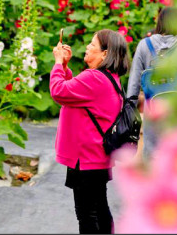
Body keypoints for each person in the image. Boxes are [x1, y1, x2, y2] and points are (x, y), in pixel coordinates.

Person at [50, 29, 130, 234]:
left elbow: (59, 91)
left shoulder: (94, 77)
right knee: (100, 208)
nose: (87, 47)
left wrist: (58, 63)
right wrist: (65, 67)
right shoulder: (108, 77)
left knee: (87, 214)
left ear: (105, 54)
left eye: (92, 45)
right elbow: (73, 92)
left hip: (85, 157)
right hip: (96, 156)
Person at [127, 7, 177, 157]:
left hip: (154, 108)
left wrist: (130, 106)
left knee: (152, 150)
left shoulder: (144, 45)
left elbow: (134, 79)